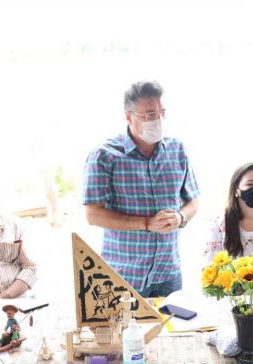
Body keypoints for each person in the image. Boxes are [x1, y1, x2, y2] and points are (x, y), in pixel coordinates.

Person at [83, 80, 200, 297]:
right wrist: (146, 224)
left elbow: (193, 201)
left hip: (169, 274)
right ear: (129, 117)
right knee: (123, 322)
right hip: (123, 276)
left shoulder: (177, 149)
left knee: (172, 320)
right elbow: (93, 215)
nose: (158, 120)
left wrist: (180, 217)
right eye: (150, 114)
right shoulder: (104, 156)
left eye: (162, 112)